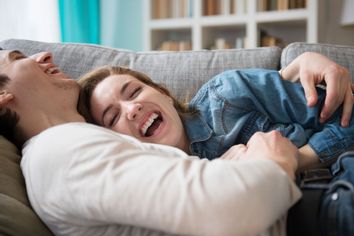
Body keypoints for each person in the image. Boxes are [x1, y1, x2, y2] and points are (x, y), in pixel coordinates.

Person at [0, 49, 352, 236]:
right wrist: (277, 157)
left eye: (134, 91)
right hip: (320, 211)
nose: (42, 56)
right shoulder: (59, 153)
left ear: (163, 92)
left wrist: (298, 65)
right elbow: (229, 206)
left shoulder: (76, 145)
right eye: (18, 59)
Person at [78, 54, 353, 171]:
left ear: (162, 92)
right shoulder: (153, 189)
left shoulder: (227, 94)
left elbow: (349, 117)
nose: (132, 108)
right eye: (112, 117)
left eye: (134, 92)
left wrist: (297, 159)